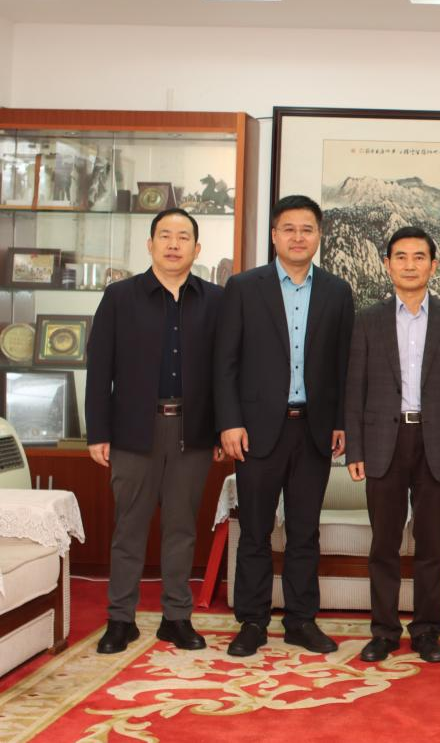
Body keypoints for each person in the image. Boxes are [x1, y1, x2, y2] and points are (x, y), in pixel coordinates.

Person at [214, 194, 355, 657]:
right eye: (289, 229)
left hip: (313, 429)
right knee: (255, 531)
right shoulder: (244, 287)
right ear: (274, 235)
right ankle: (252, 622)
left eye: (307, 229)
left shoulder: (337, 291)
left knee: (304, 531)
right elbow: (225, 362)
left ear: (319, 236)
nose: (298, 237)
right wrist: (229, 422)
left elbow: (343, 365)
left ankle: (300, 620)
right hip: (256, 430)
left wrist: (340, 422)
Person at [86, 208, 224, 654]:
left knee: (182, 528)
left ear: (197, 249)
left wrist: (221, 430)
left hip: (192, 430)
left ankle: (176, 617)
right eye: (165, 235)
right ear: (150, 245)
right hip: (132, 430)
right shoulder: (119, 297)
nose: (173, 244)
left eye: (183, 237)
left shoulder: (215, 300)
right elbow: (99, 369)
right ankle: (120, 619)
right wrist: (97, 432)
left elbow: (226, 372)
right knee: (129, 527)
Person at [345, 226, 440, 664]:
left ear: (433, 265)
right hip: (383, 440)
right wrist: (356, 450)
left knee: (431, 542)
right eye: (400, 257)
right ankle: (384, 631)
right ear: (387, 265)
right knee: (383, 543)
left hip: (436, 442)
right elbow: (355, 388)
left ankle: (427, 631)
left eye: (418, 257)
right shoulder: (368, 320)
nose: (409, 264)